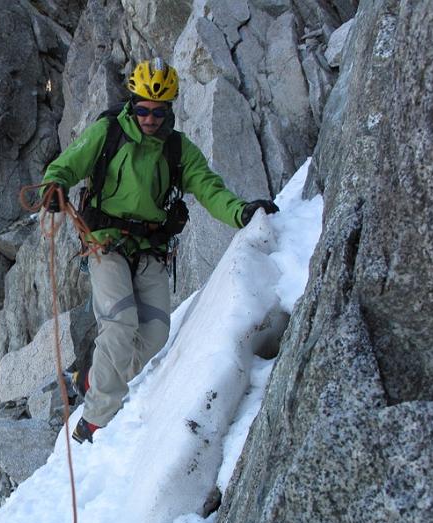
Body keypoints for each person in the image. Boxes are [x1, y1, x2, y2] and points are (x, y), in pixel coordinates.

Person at [41, 58, 278, 443]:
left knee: (153, 334)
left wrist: (241, 213)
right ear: (132, 103)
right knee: (120, 325)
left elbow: (208, 188)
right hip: (104, 241)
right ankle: (95, 422)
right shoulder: (107, 132)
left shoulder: (178, 150)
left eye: (159, 111)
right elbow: (67, 165)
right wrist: (52, 187)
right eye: (143, 109)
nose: (150, 119)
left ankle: (90, 378)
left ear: (170, 110)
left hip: (150, 246)